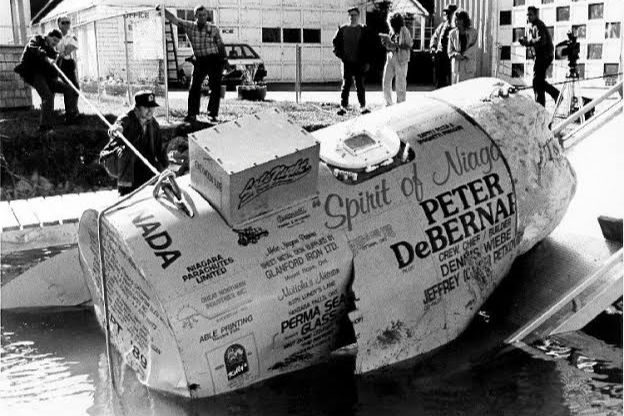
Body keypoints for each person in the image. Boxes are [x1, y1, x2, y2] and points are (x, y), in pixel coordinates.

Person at [161, 5, 226, 123]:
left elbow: (220, 45)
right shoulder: (190, 26)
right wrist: (162, 9)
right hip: (200, 60)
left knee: (215, 87)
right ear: (195, 16)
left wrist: (224, 61)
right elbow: (174, 19)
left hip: (214, 59)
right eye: (200, 15)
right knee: (194, 87)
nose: (202, 17)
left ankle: (212, 114)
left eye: (204, 15)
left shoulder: (213, 28)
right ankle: (192, 114)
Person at [100, 91, 167, 196]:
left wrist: (166, 171)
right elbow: (117, 127)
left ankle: (144, 189)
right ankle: (124, 191)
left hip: (138, 162)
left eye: (152, 107)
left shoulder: (154, 125)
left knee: (157, 167)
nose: (150, 111)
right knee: (127, 152)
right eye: (146, 107)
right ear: (137, 108)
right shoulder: (126, 118)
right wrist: (115, 130)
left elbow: (160, 151)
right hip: (115, 160)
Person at [14, 29, 79, 132]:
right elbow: (34, 49)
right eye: (54, 40)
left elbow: (54, 70)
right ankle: (45, 127)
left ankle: (70, 118)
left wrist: (58, 58)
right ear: (48, 36)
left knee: (68, 89)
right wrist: (46, 57)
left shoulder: (52, 51)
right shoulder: (37, 39)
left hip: (44, 76)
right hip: (32, 73)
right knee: (47, 96)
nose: (55, 43)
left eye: (57, 42)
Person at [332, 7, 373, 115]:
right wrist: (341, 56)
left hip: (359, 62)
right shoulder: (342, 30)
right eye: (351, 15)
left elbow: (368, 46)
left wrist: (367, 61)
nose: (353, 17)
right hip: (347, 62)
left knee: (360, 85)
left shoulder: (363, 30)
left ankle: (363, 107)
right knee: (346, 85)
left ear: (358, 16)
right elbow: (335, 44)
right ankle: (343, 107)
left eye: (354, 15)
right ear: (348, 16)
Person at [519, 6, 559, 107]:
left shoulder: (538, 25)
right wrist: (524, 40)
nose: (528, 17)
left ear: (536, 15)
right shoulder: (531, 25)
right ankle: (543, 103)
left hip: (544, 55)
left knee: (537, 81)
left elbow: (542, 41)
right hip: (540, 56)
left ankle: (553, 96)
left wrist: (528, 42)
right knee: (538, 81)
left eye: (531, 15)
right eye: (527, 15)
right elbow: (531, 39)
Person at [381, 12, 413, 106]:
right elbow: (391, 45)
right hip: (391, 56)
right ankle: (388, 103)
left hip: (401, 58)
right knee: (386, 80)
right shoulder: (392, 32)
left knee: (400, 83)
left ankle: (401, 103)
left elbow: (409, 45)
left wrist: (396, 45)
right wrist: (386, 44)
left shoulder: (405, 31)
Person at [430, 4, 457, 89]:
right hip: (440, 56)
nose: (447, 15)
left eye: (449, 13)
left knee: (450, 81)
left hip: (450, 58)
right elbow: (435, 36)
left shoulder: (456, 27)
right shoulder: (443, 25)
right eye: (446, 13)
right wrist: (433, 47)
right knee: (439, 81)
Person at [447, 10, 478, 84]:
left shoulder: (473, 32)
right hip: (457, 66)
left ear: (465, 20)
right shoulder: (452, 34)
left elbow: (474, 47)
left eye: (460, 19)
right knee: (457, 88)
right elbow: (449, 50)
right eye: (456, 19)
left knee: (468, 87)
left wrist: (464, 55)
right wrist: (455, 54)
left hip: (468, 66)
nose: (457, 22)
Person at [56, 15, 79, 89]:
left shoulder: (71, 36)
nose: (66, 24)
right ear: (59, 25)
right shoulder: (54, 36)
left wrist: (64, 52)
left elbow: (72, 46)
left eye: (68, 22)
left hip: (66, 63)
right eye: (63, 23)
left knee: (73, 86)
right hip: (56, 62)